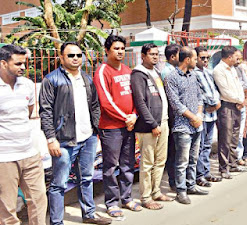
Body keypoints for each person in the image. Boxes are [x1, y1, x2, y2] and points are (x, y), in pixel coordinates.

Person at [40, 42, 111, 224]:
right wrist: (51, 138)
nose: (76, 59)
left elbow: (95, 105)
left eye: (79, 55)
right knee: (59, 184)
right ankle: (56, 222)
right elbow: (45, 111)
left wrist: (95, 130)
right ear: (61, 57)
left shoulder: (87, 79)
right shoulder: (52, 80)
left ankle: (89, 214)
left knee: (86, 178)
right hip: (63, 140)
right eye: (71, 55)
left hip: (87, 138)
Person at [93, 35, 142, 218]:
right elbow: (105, 102)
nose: (120, 51)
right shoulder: (102, 71)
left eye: (122, 48)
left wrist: (134, 116)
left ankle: (127, 198)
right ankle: (112, 202)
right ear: (107, 50)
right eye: (116, 48)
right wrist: (125, 118)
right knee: (111, 166)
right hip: (111, 128)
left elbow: (137, 95)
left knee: (128, 164)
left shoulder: (128, 70)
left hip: (129, 125)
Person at [0, 45, 47, 225]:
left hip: (29, 153)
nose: (23, 67)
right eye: (18, 63)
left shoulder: (27, 85)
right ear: (3, 63)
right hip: (5, 159)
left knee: (38, 200)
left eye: (24, 63)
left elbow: (27, 113)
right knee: (7, 209)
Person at [131, 43, 174, 210]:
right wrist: (152, 123)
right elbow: (140, 102)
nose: (155, 57)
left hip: (163, 122)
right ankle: (146, 196)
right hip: (149, 126)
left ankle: (156, 191)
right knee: (147, 163)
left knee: (160, 160)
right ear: (143, 55)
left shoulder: (155, 72)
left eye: (157, 54)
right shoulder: (138, 74)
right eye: (151, 54)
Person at [165, 46, 208, 205]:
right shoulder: (171, 77)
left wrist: (199, 115)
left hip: (196, 124)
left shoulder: (193, 76)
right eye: (195, 58)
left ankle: (191, 185)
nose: (197, 61)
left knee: (193, 158)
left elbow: (199, 97)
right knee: (182, 160)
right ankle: (181, 190)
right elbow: (175, 103)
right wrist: (192, 117)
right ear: (187, 59)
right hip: (182, 126)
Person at [214, 46, 247, 179]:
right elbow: (225, 91)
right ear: (229, 57)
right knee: (225, 138)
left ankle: (233, 163)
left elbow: (239, 87)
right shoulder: (219, 70)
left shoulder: (233, 69)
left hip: (237, 105)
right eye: (235, 57)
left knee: (234, 136)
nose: (237, 59)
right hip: (226, 106)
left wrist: (241, 100)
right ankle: (223, 167)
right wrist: (239, 100)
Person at [192, 46, 223, 187]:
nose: (205, 60)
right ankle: (199, 175)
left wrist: (217, 103)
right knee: (200, 146)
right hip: (202, 114)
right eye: (202, 58)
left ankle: (206, 172)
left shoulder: (208, 72)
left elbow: (215, 91)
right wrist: (213, 103)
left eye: (207, 58)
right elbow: (201, 94)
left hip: (212, 114)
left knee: (207, 145)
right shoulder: (194, 74)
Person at [162, 44, 181, 191]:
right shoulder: (167, 72)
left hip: (176, 114)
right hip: (172, 115)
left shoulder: (175, 70)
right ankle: (173, 181)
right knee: (173, 150)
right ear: (173, 57)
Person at [234, 51, 247, 165]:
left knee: (240, 133)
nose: (238, 61)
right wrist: (239, 85)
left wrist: (238, 85)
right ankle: (233, 159)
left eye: (240, 58)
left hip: (242, 102)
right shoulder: (223, 70)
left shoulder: (240, 69)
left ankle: (239, 156)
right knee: (232, 134)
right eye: (237, 58)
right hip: (232, 104)